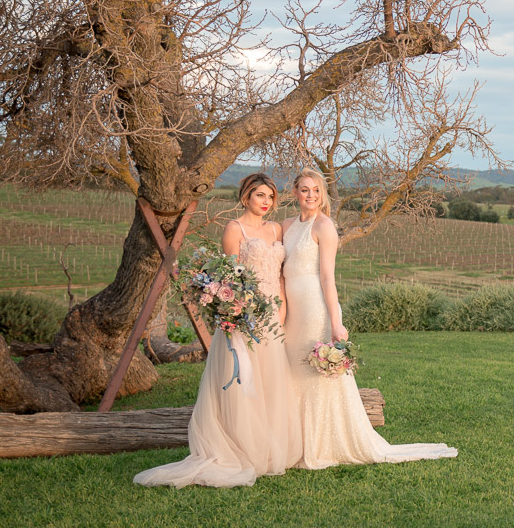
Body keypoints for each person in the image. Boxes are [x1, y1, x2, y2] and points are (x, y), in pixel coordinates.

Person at [282, 168, 457, 468]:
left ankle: (321, 441)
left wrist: (336, 322)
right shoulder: (286, 224)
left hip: (313, 306)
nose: (310, 195)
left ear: (322, 194)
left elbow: (327, 278)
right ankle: (292, 439)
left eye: (315, 190)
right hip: (290, 309)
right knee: (292, 371)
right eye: (304, 189)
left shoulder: (324, 226)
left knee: (315, 373)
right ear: (295, 192)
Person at [135, 173, 301, 488]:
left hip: (273, 315)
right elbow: (231, 276)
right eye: (259, 196)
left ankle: (270, 446)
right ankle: (242, 447)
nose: (265, 203)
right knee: (243, 383)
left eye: (269, 197)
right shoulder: (233, 229)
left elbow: (279, 274)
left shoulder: (277, 229)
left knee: (270, 381)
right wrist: (240, 310)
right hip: (245, 314)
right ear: (245, 197)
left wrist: (281, 308)